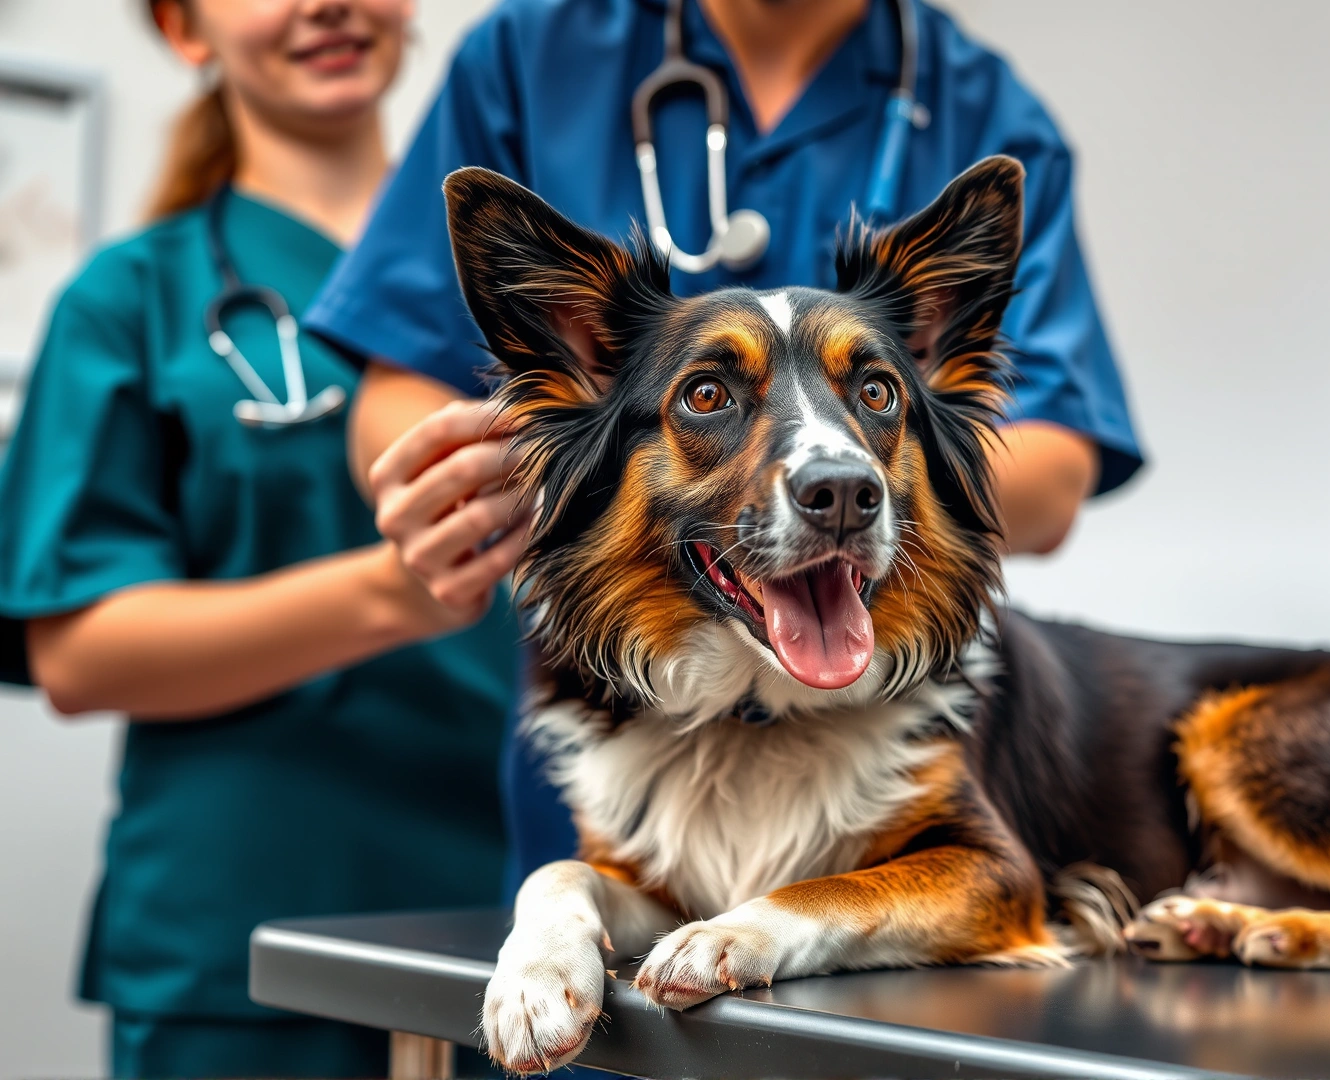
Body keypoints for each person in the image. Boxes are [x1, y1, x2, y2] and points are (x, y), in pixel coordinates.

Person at [309, 0, 1145, 889]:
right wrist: (529, 475)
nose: (830, 467)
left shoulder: (985, 107)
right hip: (631, 746)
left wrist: (844, 490)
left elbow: (1050, 472)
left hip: (880, 763)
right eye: (709, 394)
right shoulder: (529, 54)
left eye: (872, 391)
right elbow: (398, 386)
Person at [0, 1, 519, 1076]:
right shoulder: (130, 300)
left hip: (534, 926)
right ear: (183, 28)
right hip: (249, 932)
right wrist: (393, 594)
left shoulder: (527, 284)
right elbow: (79, 655)